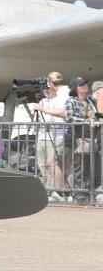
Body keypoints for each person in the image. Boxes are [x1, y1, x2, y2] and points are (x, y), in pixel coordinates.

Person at [30, 72, 70, 200]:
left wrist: (44, 110)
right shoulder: (57, 95)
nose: (46, 90)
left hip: (59, 134)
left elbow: (64, 113)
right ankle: (60, 192)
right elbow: (35, 118)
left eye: (47, 87)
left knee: (54, 162)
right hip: (49, 135)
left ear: (51, 84)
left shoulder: (63, 94)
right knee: (49, 163)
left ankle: (60, 192)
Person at [65, 77, 96, 204]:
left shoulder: (90, 100)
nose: (84, 86)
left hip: (93, 137)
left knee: (90, 166)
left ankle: (89, 192)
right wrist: (86, 121)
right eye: (81, 85)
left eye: (85, 84)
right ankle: (79, 194)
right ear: (75, 88)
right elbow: (69, 118)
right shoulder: (71, 100)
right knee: (80, 166)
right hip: (79, 137)